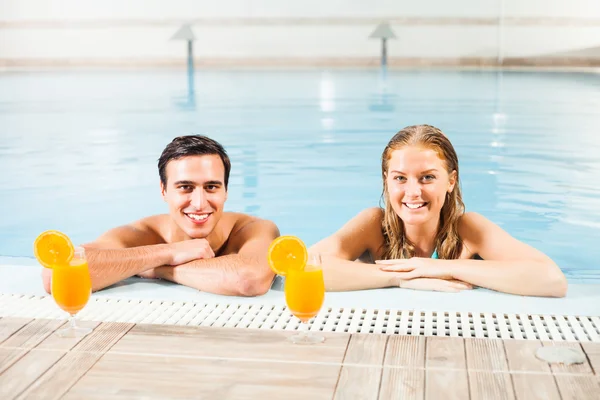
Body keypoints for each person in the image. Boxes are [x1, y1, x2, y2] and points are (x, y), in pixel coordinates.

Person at [310, 124, 567, 297]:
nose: (413, 192)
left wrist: (443, 268)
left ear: (451, 181)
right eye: (400, 178)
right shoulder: (374, 226)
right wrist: (401, 277)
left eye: (427, 177)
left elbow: (551, 279)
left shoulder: (468, 229)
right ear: (385, 181)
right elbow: (303, 267)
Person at [42, 135, 279, 296]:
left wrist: (158, 268)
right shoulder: (142, 234)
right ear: (163, 190)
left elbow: (250, 279)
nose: (198, 203)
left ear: (226, 191)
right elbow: (55, 275)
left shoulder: (253, 229)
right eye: (185, 187)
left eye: (211, 187)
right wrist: (168, 252)